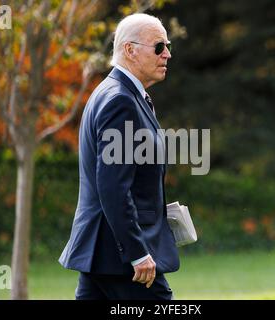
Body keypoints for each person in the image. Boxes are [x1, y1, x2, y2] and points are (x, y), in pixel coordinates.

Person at [58, 13, 179, 300]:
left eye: (168, 46)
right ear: (130, 50)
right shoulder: (121, 101)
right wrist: (137, 253)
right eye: (159, 47)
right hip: (122, 259)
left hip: (103, 254)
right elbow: (113, 186)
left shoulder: (113, 93)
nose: (168, 54)